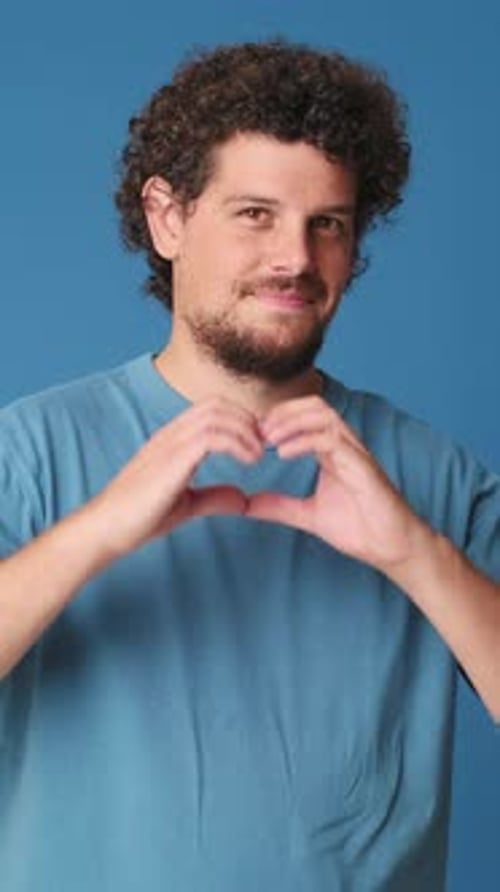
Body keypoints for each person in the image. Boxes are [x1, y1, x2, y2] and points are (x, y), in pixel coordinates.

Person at [0, 39, 499, 892]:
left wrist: (414, 552)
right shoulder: (29, 449)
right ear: (168, 218)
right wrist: (98, 532)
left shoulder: (433, 475)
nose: (295, 261)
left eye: (327, 225)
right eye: (255, 214)